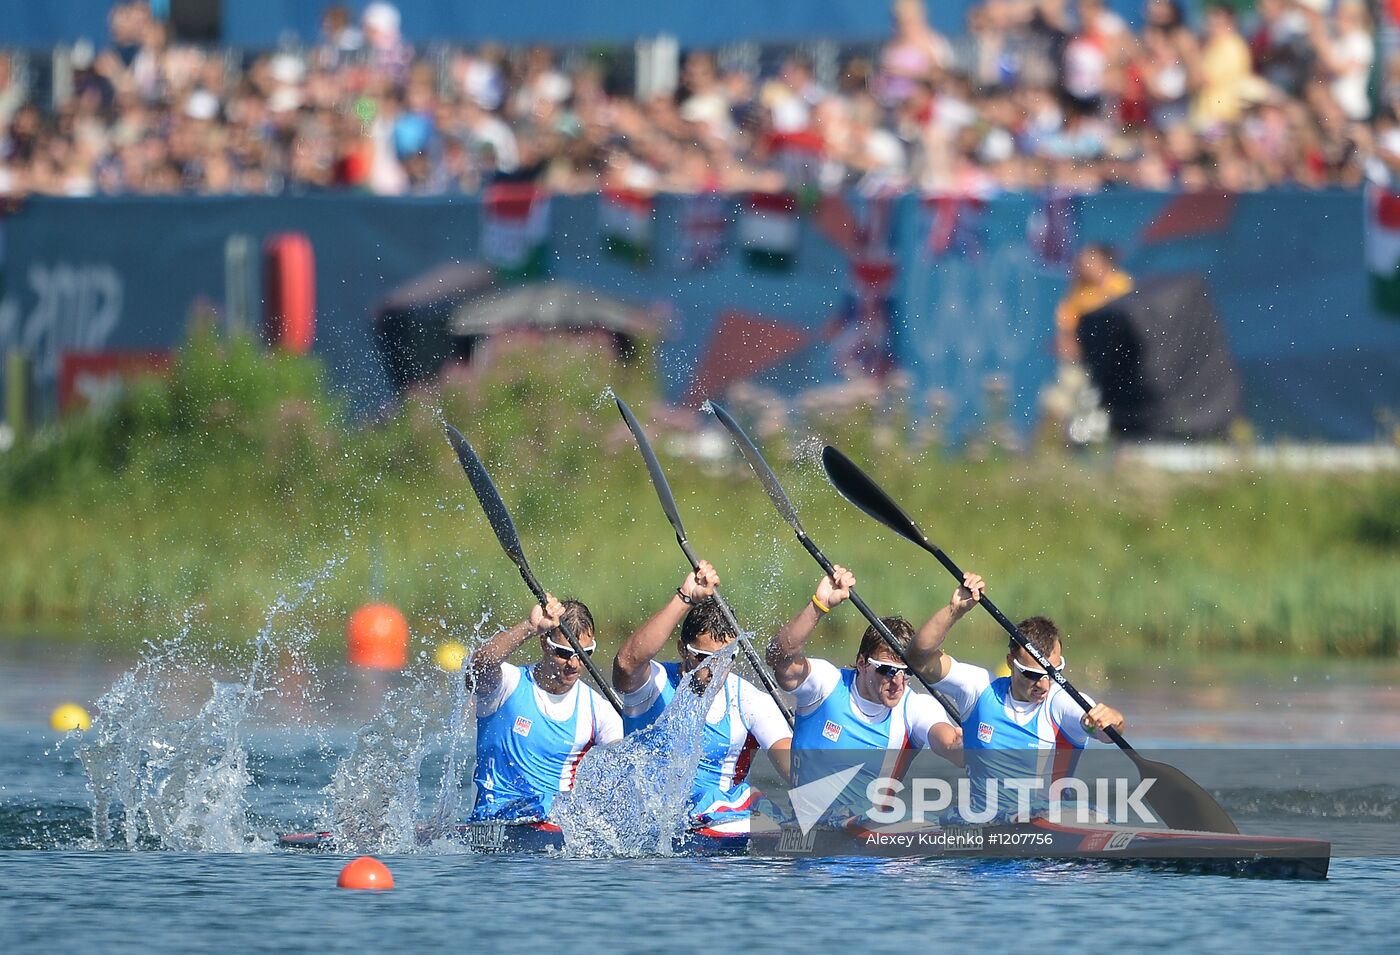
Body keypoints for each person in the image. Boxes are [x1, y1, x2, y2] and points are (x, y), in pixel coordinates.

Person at [908, 572, 1125, 821]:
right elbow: (918, 658)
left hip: (1047, 838)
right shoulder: (979, 689)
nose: (1044, 684)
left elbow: (1108, 732)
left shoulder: (1061, 702)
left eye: (1053, 673)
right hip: (984, 832)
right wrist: (953, 611)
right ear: (1011, 662)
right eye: (1032, 674)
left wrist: (1112, 721)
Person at [766, 566, 962, 817]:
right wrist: (818, 606)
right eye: (887, 670)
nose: (898, 682)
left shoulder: (915, 708)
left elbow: (948, 743)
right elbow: (778, 658)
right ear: (861, 663)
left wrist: (963, 746)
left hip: (872, 843)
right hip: (811, 836)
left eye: (906, 672)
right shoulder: (826, 684)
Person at [612, 560, 793, 826]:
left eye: (726, 658)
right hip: (646, 822)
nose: (716, 670)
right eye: (705, 658)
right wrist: (684, 598)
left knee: (758, 804)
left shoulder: (748, 700)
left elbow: (794, 767)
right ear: (682, 649)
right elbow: (627, 663)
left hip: (716, 828)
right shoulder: (654, 685)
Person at [469, 594, 623, 821]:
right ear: (544, 642)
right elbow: (477, 668)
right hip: (491, 819)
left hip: (553, 832)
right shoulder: (507, 685)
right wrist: (530, 627)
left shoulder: (599, 711)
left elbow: (626, 767)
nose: (573, 664)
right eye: (563, 653)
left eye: (583, 654)